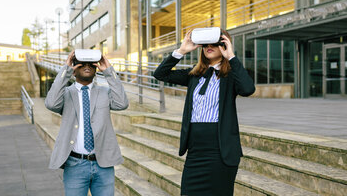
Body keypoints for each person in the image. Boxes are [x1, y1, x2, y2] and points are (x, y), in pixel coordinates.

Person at [154, 29, 255, 196]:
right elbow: (160, 74)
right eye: (205, 44)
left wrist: (231, 56)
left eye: (215, 42)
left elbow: (248, 89)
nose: (209, 46)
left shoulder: (231, 76)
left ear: (224, 45)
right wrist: (181, 51)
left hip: (220, 150)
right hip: (195, 151)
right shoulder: (194, 74)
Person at [45, 50, 129, 196]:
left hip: (103, 163)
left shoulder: (105, 92)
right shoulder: (65, 94)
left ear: (96, 69)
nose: (87, 66)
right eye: (81, 63)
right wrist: (66, 69)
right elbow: (51, 103)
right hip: (75, 164)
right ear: (74, 69)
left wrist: (109, 71)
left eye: (91, 64)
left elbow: (122, 103)